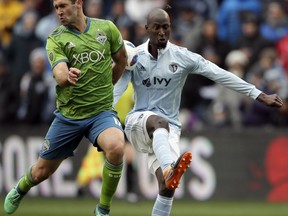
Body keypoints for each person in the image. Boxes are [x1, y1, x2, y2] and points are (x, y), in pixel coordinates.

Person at [113, 8, 284, 216]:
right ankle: (169, 167)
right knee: (158, 123)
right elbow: (116, 91)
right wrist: (101, 118)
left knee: (167, 188)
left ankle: (167, 173)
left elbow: (220, 74)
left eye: (165, 28)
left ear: (170, 29)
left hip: (169, 130)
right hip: (138, 122)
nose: (161, 33)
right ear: (146, 29)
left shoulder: (182, 56)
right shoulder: (133, 57)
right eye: (156, 28)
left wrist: (258, 94)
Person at [4, 0, 128, 216]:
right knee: (42, 172)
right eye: (56, 7)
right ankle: (20, 188)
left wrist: (110, 85)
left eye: (63, 5)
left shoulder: (107, 28)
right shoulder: (56, 38)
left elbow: (122, 60)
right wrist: (66, 76)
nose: (59, 11)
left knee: (117, 146)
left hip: (100, 113)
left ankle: (103, 208)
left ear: (78, 3)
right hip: (69, 116)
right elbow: (59, 72)